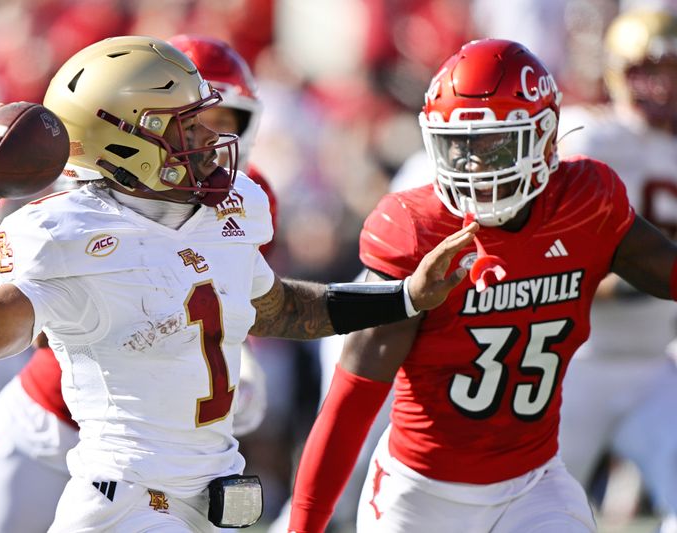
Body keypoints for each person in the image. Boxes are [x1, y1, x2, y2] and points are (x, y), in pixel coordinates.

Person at [0, 35, 479, 532]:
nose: (210, 137)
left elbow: (281, 307)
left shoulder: (230, 211)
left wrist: (404, 297)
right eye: (186, 125)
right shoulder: (70, 237)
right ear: (126, 141)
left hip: (213, 496)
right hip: (128, 502)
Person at [287, 38, 677, 533]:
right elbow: (351, 398)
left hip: (533, 487)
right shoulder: (417, 228)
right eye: (459, 146)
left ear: (543, 136)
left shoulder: (586, 202)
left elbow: (669, 272)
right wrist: (304, 527)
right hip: (419, 494)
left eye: (493, 144)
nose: (472, 165)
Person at [0, 35, 281, 533]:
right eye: (186, 122)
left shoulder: (245, 200)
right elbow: (30, 324)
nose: (208, 135)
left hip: (158, 476)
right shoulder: (82, 195)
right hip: (51, 425)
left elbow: (229, 306)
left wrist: (240, 362)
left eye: (223, 119)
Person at [555, 8, 677, 530]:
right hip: (577, 360)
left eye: (669, 69)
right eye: (644, 69)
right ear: (615, 72)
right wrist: (629, 282)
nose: (658, 85)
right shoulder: (592, 140)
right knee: (531, 508)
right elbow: (553, 256)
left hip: (655, 364)